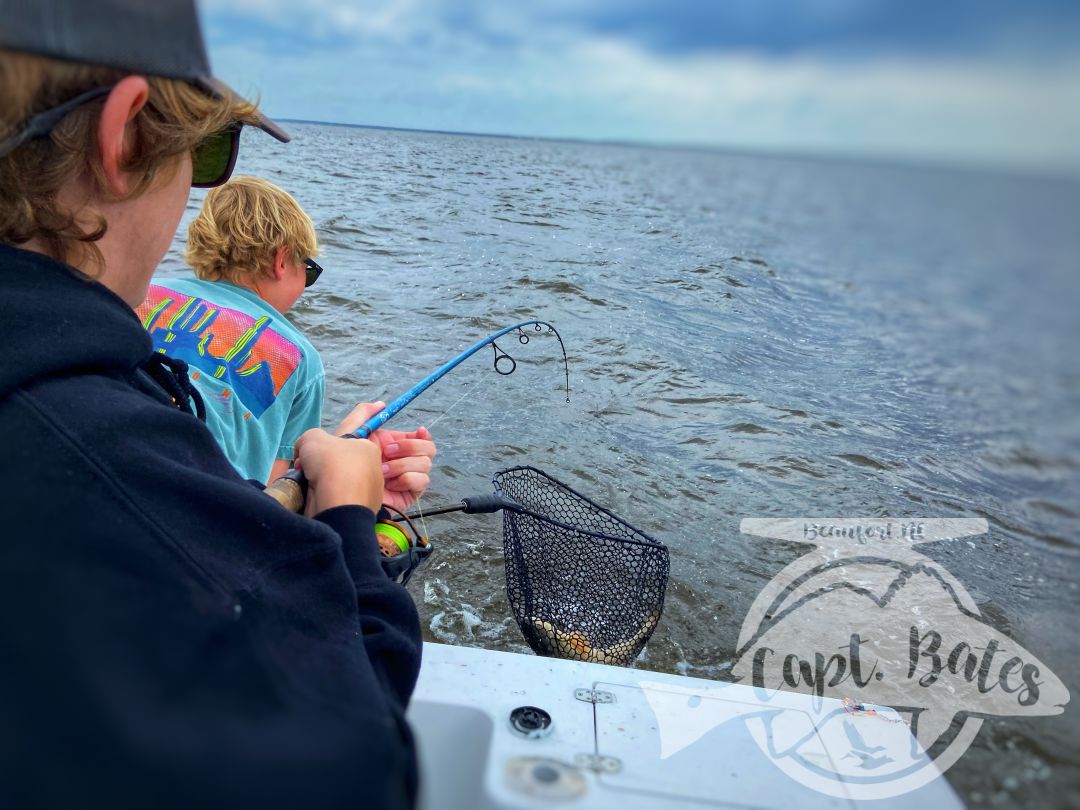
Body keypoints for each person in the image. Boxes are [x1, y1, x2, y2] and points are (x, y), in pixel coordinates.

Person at [0, 1, 434, 807]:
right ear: (126, 135)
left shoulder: (105, 346)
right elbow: (361, 770)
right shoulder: (283, 363)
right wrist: (347, 511)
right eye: (205, 151)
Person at [137, 176, 432, 491]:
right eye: (308, 271)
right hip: (202, 501)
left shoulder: (143, 292)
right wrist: (341, 456)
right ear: (281, 260)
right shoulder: (298, 357)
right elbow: (278, 489)